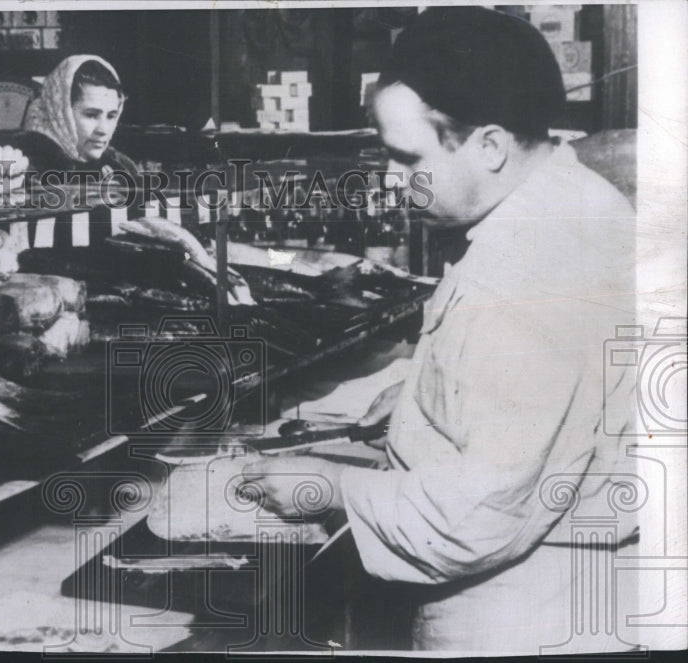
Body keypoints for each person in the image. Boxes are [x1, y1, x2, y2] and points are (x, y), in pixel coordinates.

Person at [243, 7, 639, 654]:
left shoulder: (523, 274)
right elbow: (545, 387)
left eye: (407, 158)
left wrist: (331, 484)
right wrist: (423, 395)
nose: (393, 183)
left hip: (520, 616)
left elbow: (472, 517)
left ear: (488, 145)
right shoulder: (569, 199)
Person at [0, 55, 139, 206]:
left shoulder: (120, 166)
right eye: (91, 115)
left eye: (111, 116)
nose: (103, 129)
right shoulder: (20, 167)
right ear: (61, 112)